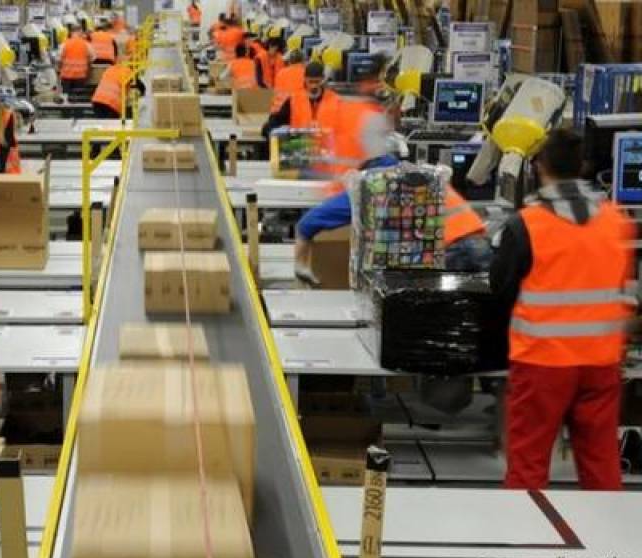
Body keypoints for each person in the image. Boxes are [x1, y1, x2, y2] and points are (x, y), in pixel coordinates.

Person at [490, 130, 635, 490]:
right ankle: (607, 527)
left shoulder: (526, 224)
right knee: (601, 464)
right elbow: (623, 288)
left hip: (542, 363)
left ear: (539, 167)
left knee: (528, 465)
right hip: (601, 362)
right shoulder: (616, 220)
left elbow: (500, 288)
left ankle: (525, 526)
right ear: (582, 166)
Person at [292, 154, 490, 284]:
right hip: (480, 242)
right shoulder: (423, 177)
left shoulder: (376, 185)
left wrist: (300, 263)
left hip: (451, 250)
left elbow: (310, 221)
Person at [263, 62, 340, 138]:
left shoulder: (334, 100)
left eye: (317, 82)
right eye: (311, 82)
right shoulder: (293, 99)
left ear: (323, 79)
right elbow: (274, 122)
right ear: (305, 79)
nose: (314, 86)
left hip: (326, 143)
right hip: (300, 143)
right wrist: (270, 131)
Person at [59, 23, 96, 96]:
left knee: (66, 98)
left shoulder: (64, 44)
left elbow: (59, 60)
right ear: (81, 32)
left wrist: (59, 70)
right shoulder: (86, 44)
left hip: (66, 77)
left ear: (70, 32)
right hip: (80, 76)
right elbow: (92, 59)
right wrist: (88, 73)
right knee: (79, 98)